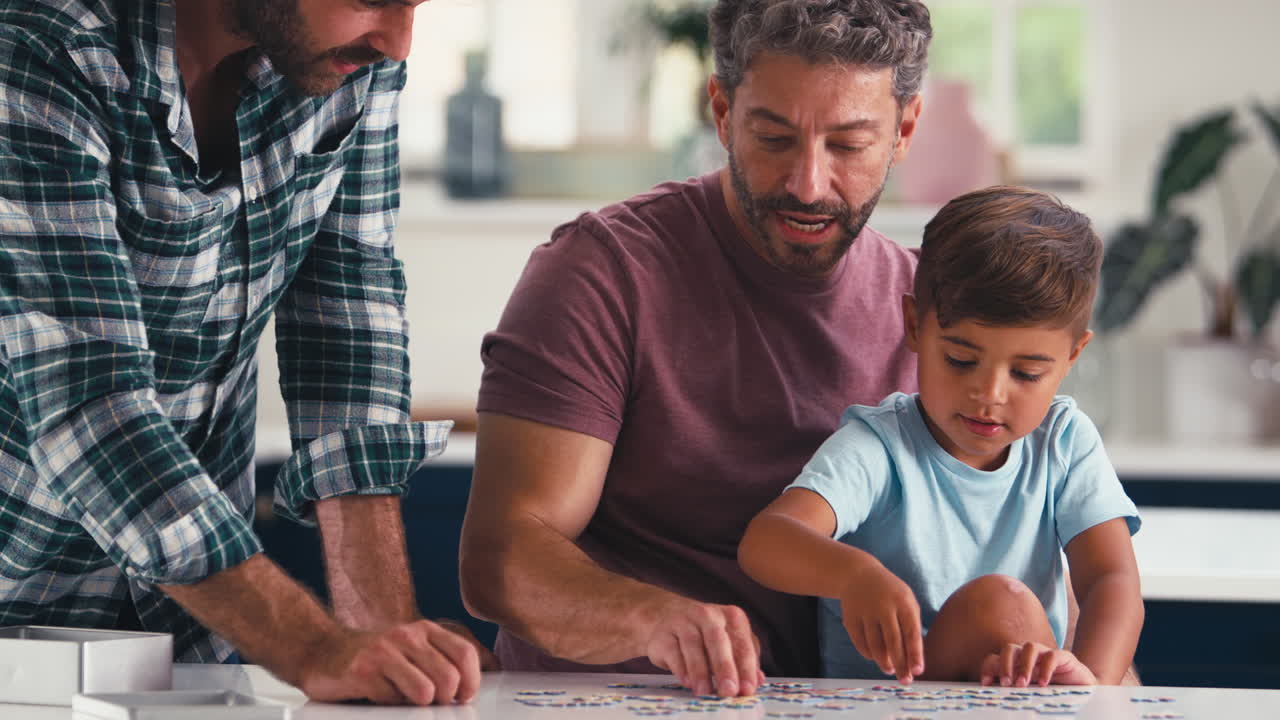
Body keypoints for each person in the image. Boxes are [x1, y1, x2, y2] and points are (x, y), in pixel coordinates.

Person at [0, 0, 492, 706]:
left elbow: (348, 318)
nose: (399, 43)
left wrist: (391, 643)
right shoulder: (39, 51)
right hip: (17, 621)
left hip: (194, 632)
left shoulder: (345, 59)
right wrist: (315, 646)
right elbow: (88, 401)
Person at [460, 0, 929, 697]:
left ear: (904, 130)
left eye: (847, 146)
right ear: (720, 109)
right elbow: (500, 558)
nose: (808, 183)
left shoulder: (933, 316)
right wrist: (651, 621)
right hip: (615, 702)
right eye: (773, 138)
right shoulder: (602, 274)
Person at [738, 186, 1144, 687]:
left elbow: (1111, 578)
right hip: (893, 702)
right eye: (960, 360)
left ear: (1072, 357)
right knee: (1002, 605)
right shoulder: (880, 446)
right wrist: (853, 574)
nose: (989, 394)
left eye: (1027, 373)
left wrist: (1095, 685)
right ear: (914, 326)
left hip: (1017, 696)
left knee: (1020, 619)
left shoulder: (1064, 441)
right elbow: (767, 542)